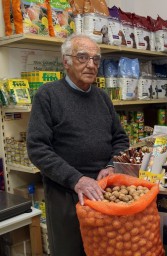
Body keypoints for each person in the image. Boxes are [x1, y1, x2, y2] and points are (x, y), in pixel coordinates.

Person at [26, 34, 129, 256]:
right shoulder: (48, 95)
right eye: (82, 57)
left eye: (96, 59)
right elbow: (37, 148)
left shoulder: (102, 98)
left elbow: (121, 139)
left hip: (104, 192)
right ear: (66, 61)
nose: (91, 65)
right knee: (70, 250)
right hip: (66, 194)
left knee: (105, 249)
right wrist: (77, 180)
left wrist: (112, 165)